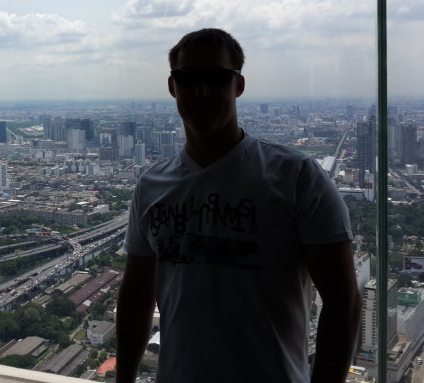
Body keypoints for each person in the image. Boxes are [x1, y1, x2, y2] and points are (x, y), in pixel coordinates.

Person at [116, 28, 361, 383]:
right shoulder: (151, 186)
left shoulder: (297, 177)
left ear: (239, 85)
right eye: (187, 78)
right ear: (172, 86)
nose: (201, 91)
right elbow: (137, 295)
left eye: (217, 77)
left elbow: (343, 304)